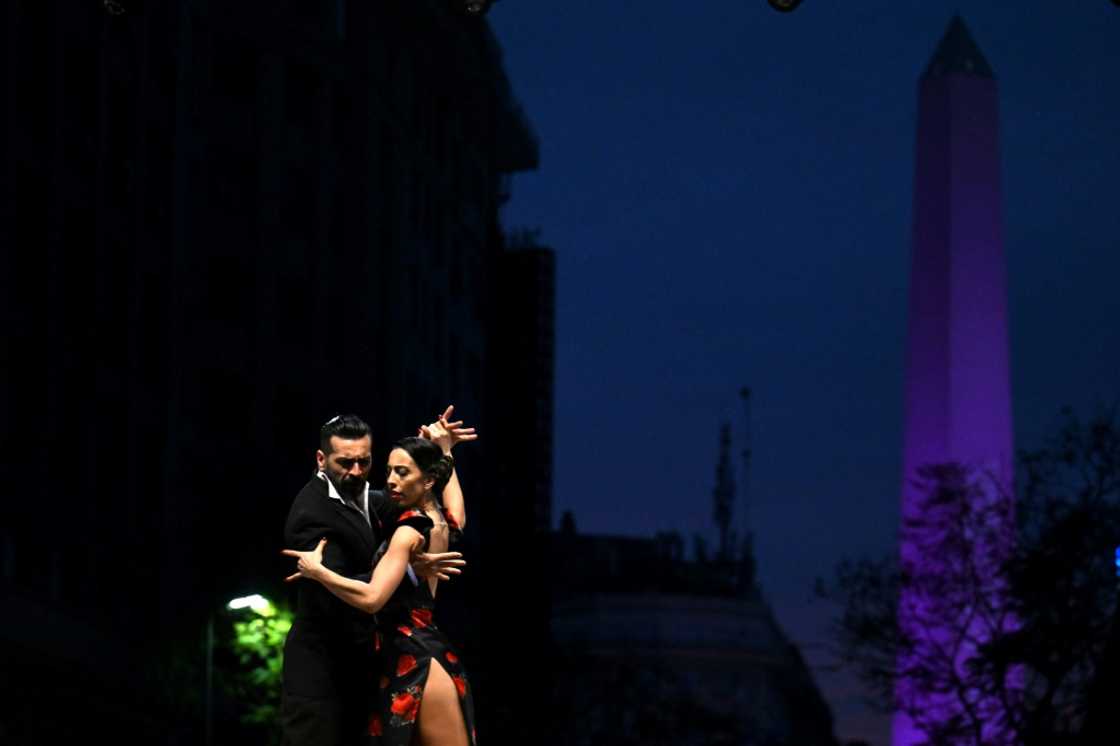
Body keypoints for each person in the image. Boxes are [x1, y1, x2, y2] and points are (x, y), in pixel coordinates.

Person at [280, 409, 473, 746]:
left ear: (427, 480)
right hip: (327, 673)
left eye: (365, 462)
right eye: (345, 463)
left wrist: (317, 570)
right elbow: (455, 514)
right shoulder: (311, 511)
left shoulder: (399, 518)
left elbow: (372, 597)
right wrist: (444, 453)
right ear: (321, 459)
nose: (359, 473)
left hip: (409, 657)